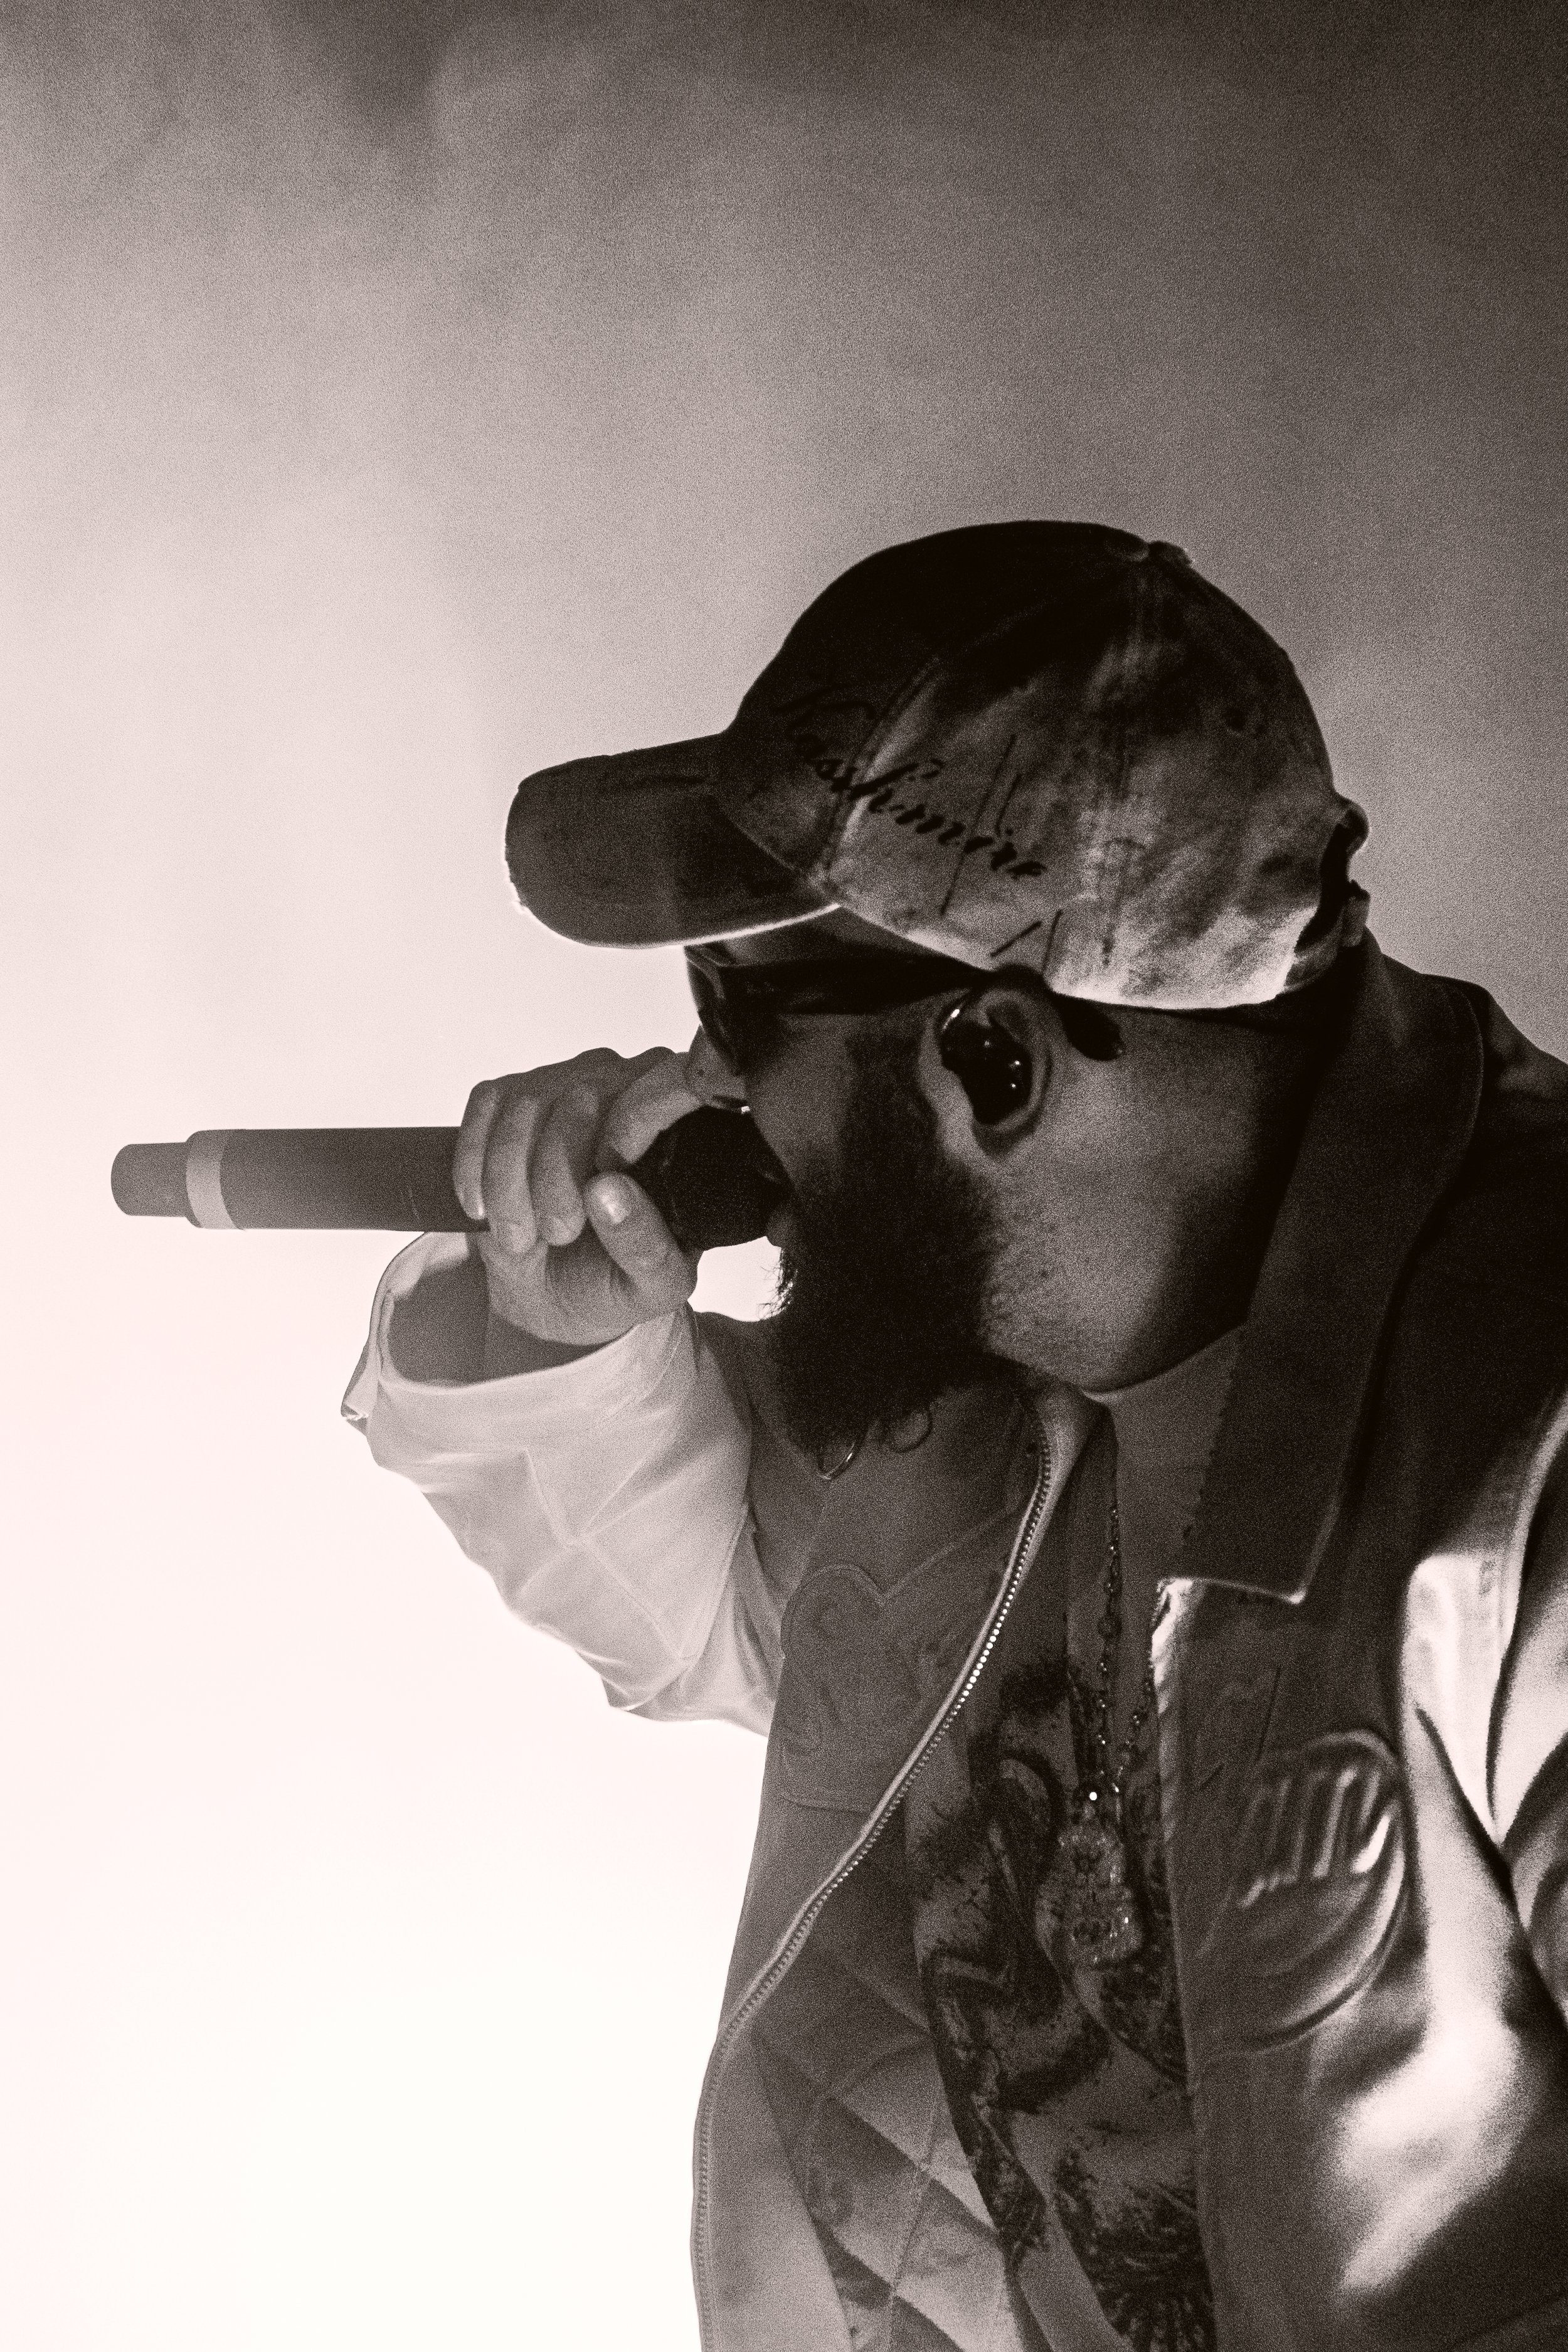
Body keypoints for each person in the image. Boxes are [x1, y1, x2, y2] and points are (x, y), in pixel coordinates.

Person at [343, 524, 1568, 2352]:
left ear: (987, 1060)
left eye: (736, 1007)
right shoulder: (995, 1374)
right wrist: (563, 1341)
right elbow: (758, 1634)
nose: (704, 1087)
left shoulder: (1523, 1438)